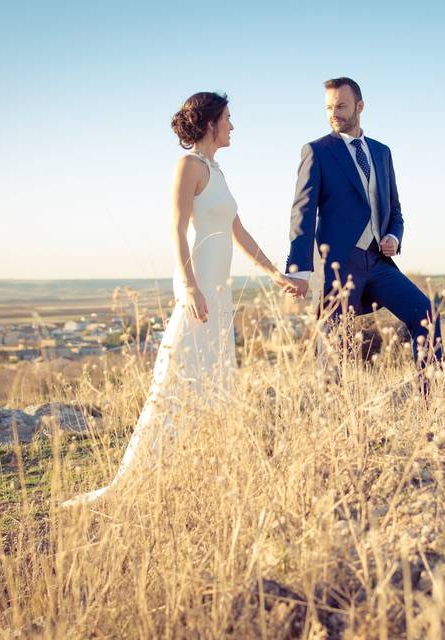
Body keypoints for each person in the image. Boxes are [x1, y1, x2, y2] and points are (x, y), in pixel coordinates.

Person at [62, 92, 296, 508]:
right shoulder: (188, 165)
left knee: (216, 377)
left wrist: (274, 273)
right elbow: (176, 226)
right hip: (198, 288)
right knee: (176, 377)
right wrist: (189, 286)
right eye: (227, 118)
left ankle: (205, 467)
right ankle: (139, 473)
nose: (232, 126)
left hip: (220, 292)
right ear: (209, 123)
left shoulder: (217, 171)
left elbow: (238, 233)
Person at [284, 77, 442, 391]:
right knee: (335, 344)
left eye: (341, 106)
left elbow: (395, 209)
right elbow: (301, 211)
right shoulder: (317, 151)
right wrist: (298, 269)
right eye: (329, 107)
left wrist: (394, 238)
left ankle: (432, 399)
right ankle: (334, 418)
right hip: (339, 265)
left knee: (427, 314)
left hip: (378, 262)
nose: (334, 113)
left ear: (360, 106)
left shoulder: (382, 152)